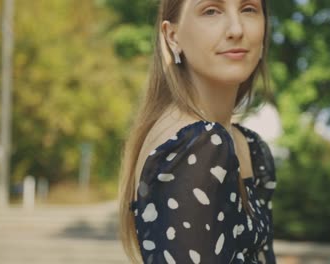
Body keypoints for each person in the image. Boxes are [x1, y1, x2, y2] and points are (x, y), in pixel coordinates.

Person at [118, 0, 277, 263]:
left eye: (248, 8)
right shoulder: (198, 144)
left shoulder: (248, 145)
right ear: (172, 36)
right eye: (211, 10)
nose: (236, 29)